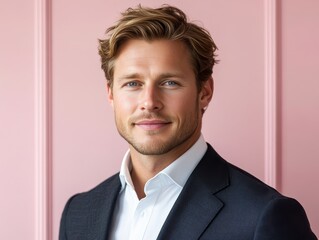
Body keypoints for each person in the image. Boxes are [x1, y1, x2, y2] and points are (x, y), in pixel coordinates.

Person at [59, 5, 317, 240]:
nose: (149, 102)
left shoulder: (265, 215)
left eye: (169, 83)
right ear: (111, 94)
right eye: (133, 84)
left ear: (204, 92)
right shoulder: (79, 213)